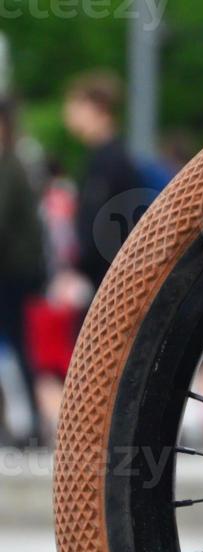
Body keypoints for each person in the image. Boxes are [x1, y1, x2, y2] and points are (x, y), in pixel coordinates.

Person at [60, 71, 143, 295]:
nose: (69, 114)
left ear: (96, 107)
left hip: (107, 276)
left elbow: (101, 223)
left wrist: (79, 266)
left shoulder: (109, 161)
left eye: (75, 105)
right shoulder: (106, 157)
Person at [0, 99, 46, 446]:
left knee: (18, 347)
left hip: (11, 274)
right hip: (18, 272)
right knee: (19, 348)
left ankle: (28, 425)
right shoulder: (15, 163)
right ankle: (27, 423)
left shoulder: (8, 166)